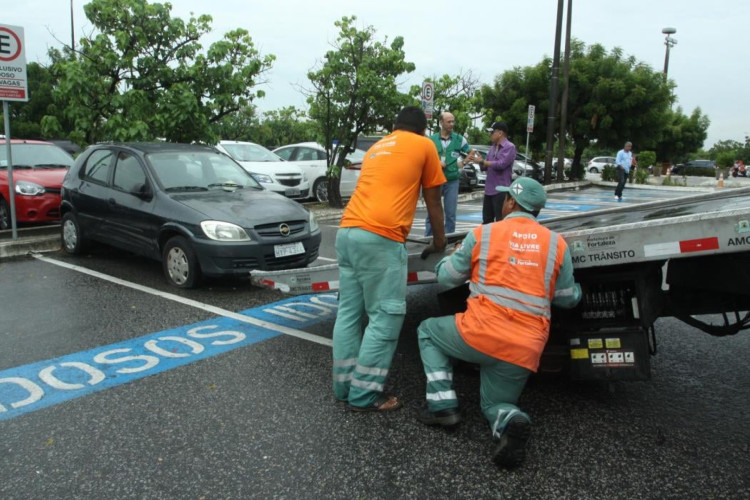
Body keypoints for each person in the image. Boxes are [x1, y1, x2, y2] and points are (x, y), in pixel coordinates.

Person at [414, 176, 582, 467]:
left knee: (427, 331)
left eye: (505, 198)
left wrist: (447, 259)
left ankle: (442, 407)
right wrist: (579, 289)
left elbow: (446, 278)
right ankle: (510, 419)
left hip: (478, 335)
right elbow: (567, 298)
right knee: (495, 403)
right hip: (524, 348)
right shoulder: (557, 244)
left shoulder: (484, 234)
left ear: (511, 202)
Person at [332, 106, 447, 412]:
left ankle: (343, 387)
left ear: (396, 126)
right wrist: (439, 240)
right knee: (385, 317)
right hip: (380, 238)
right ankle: (365, 395)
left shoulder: (377, 147)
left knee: (349, 315)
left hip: (347, 232)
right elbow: (433, 198)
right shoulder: (425, 145)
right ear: (423, 130)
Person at [425, 112, 472, 236]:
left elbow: (471, 152)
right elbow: (425, 157)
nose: (452, 124)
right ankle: (428, 238)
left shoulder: (459, 139)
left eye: (453, 121)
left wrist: (463, 163)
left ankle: (449, 238)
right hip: (435, 180)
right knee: (432, 211)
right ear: (441, 123)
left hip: (452, 180)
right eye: (449, 122)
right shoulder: (431, 140)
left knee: (450, 212)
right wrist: (436, 162)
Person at [469, 121, 516, 224]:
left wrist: (482, 161)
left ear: (500, 133)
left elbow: (501, 165)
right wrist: (481, 162)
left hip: (501, 190)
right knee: (487, 220)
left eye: (492, 132)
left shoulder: (509, 147)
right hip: (489, 190)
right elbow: (486, 167)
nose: (490, 135)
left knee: (501, 220)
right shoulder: (492, 148)